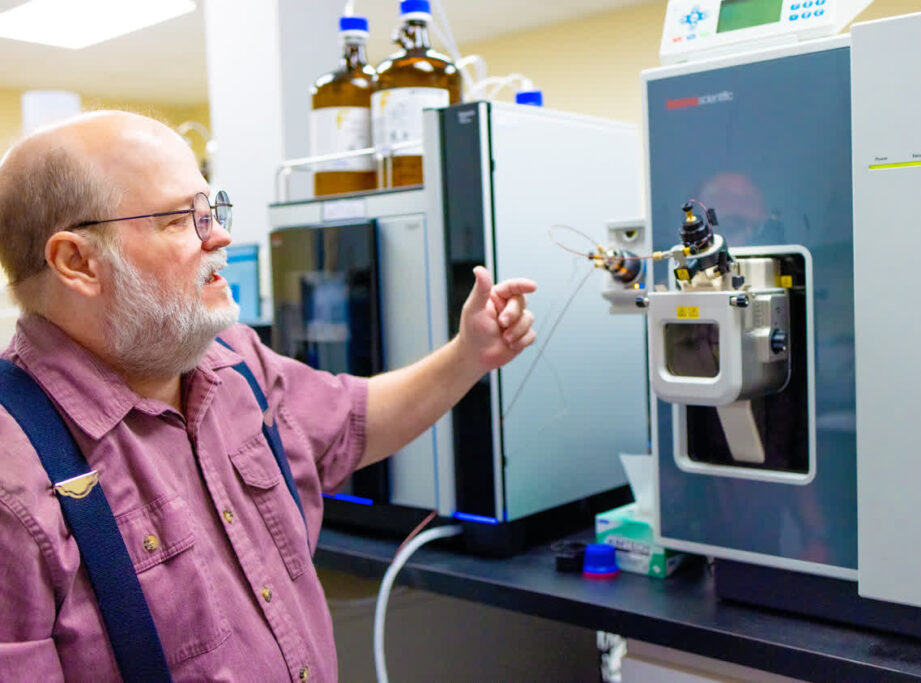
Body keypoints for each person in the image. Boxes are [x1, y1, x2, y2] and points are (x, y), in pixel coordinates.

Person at [0, 111, 537, 681]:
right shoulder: (17, 481)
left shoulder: (233, 362)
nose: (220, 235)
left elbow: (354, 422)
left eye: (212, 210)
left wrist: (467, 355)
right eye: (182, 220)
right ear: (76, 261)